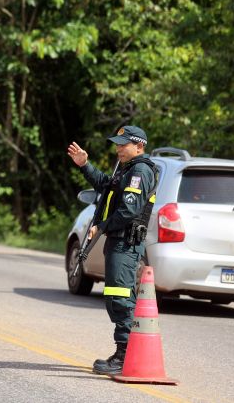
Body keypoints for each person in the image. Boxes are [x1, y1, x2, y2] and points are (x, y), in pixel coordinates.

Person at [66, 126, 158, 375]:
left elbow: (128, 211)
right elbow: (106, 187)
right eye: (117, 144)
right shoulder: (127, 170)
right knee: (118, 296)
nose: (118, 148)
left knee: (120, 297)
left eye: (123, 144)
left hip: (126, 243)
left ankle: (124, 355)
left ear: (139, 146)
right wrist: (85, 165)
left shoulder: (139, 171)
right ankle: (124, 352)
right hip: (119, 242)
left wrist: (102, 226)